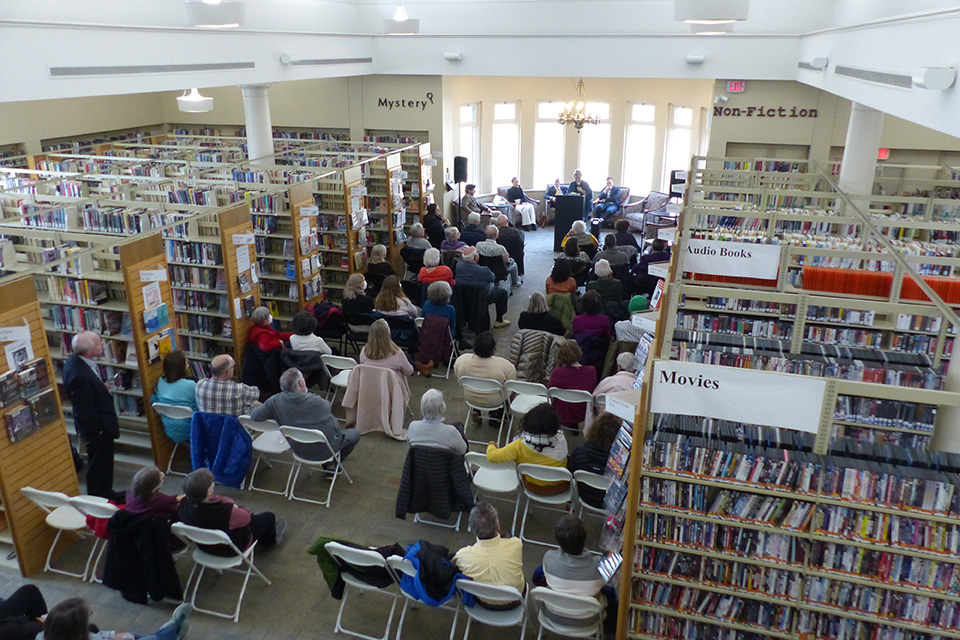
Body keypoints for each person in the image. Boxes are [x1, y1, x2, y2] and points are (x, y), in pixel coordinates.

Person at [250, 368, 360, 462]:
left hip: (298, 449)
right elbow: (327, 409)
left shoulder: (274, 402)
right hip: (326, 450)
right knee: (355, 433)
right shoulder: (316, 402)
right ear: (301, 383)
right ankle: (335, 463)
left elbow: (254, 416)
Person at [63, 331, 119, 499]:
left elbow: (88, 395)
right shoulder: (79, 375)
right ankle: (100, 498)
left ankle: (106, 494)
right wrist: (99, 431)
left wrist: (101, 389)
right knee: (99, 465)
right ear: (89, 352)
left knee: (103, 464)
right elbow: (84, 409)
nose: (102, 345)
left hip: (98, 425)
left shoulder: (75, 361)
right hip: (98, 430)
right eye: (99, 344)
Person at [179, 467, 284, 556]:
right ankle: (269, 542)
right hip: (230, 550)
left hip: (205, 547)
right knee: (268, 517)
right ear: (209, 491)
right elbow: (247, 518)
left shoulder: (183, 505)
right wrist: (231, 504)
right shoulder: (225, 511)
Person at [534, 515, 617, 628]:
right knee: (611, 591)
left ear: (559, 541)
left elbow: (537, 577)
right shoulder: (600, 567)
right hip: (589, 621)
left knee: (539, 573)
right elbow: (615, 560)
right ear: (584, 538)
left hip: (553, 617)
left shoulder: (549, 558)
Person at [453, 502, 524, 609]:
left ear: (473, 530)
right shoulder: (515, 544)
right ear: (498, 525)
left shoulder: (463, 556)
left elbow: (453, 565)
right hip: (516, 599)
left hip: (482, 602)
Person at [486, 403, 568, 494]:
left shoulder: (519, 445)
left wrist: (491, 444)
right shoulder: (561, 439)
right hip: (561, 486)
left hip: (533, 486)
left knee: (516, 444)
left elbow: (492, 456)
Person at [41, 597, 192, 640]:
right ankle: (173, 627)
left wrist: (114, 635)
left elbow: (96, 636)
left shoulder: (42, 636)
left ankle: (172, 631)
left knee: (139, 636)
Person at [454, 331, 516, 418]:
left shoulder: (462, 361)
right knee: (511, 389)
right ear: (493, 349)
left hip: (470, 397)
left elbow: (458, 378)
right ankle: (500, 415)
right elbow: (511, 383)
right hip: (494, 401)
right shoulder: (504, 365)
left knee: (476, 382)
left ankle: (476, 410)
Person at [567, 412, 621, 508]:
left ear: (594, 430)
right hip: (610, 503)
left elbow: (570, 474)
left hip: (584, 497)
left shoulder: (578, 452)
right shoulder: (621, 464)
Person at [547, 340, 598, 428]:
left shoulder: (557, 373)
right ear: (579, 352)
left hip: (561, 413)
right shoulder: (591, 371)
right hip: (583, 413)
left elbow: (549, 391)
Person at [455, 247, 510, 328]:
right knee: (502, 293)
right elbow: (492, 278)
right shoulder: (484, 271)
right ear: (475, 257)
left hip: (463, 295)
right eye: (477, 252)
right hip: (483, 296)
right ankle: (499, 320)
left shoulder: (458, 266)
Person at [151, 351, 197, 445]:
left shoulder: (160, 383)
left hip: (170, 429)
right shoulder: (191, 385)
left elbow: (153, 399)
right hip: (191, 429)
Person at [407, 389, 467, 455]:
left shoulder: (412, 426)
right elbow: (463, 450)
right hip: (444, 464)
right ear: (442, 407)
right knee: (459, 426)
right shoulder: (451, 432)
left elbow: (410, 447)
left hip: (419, 464)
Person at [495, 214, 525, 279]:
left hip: (501, 256)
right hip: (515, 254)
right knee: (522, 234)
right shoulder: (515, 232)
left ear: (497, 223)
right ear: (507, 221)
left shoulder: (496, 233)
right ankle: (519, 272)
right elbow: (521, 244)